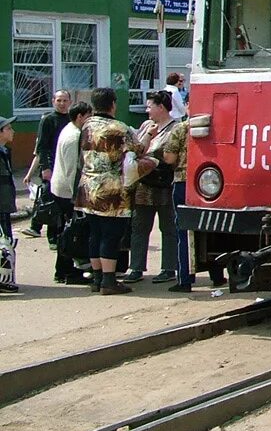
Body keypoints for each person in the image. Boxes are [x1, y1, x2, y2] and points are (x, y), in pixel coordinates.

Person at [76, 87, 146, 295]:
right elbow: (138, 149)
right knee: (111, 236)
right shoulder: (119, 128)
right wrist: (148, 135)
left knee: (95, 234)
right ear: (113, 104)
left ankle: (97, 279)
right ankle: (108, 281)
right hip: (112, 189)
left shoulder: (87, 124)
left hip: (88, 187)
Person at [125, 90, 179, 284]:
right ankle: (136, 267)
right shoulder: (147, 125)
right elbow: (136, 150)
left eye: (150, 106)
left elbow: (170, 156)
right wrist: (147, 136)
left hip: (165, 185)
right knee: (139, 227)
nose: (147, 110)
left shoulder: (176, 128)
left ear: (161, 107)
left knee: (168, 227)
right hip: (144, 186)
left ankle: (169, 267)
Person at [49, 102, 93, 284]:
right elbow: (71, 170)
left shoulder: (70, 129)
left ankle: (65, 270)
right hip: (66, 192)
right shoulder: (74, 136)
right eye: (89, 116)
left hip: (63, 190)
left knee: (67, 232)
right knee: (70, 233)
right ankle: (65, 272)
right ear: (80, 117)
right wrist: (77, 197)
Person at [20, 89, 72, 239]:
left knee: (59, 199)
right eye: (59, 100)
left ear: (70, 102)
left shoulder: (71, 119)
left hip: (65, 164)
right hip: (51, 165)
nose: (62, 104)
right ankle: (37, 227)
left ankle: (55, 233)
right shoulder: (48, 119)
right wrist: (45, 168)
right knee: (47, 197)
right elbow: (42, 147)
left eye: (64, 100)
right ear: (53, 101)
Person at [160, 116, 194, 292]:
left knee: (183, 231)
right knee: (208, 231)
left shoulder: (181, 128)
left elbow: (170, 157)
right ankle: (217, 275)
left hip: (184, 181)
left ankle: (185, 279)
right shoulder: (217, 124)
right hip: (213, 181)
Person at [0, 117, 20, 293]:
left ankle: (4, 278)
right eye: (8, 128)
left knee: (6, 241)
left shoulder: (5, 151)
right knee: (3, 243)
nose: (12, 131)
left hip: (5, 204)